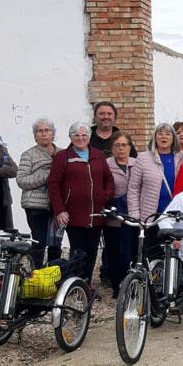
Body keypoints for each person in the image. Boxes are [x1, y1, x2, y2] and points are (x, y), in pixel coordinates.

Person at [48, 122, 115, 285]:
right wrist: (60, 210)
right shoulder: (63, 156)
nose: (80, 138)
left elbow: (109, 180)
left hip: (96, 214)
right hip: (74, 214)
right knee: (78, 251)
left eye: (84, 135)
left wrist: (105, 196)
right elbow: (53, 184)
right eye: (76, 135)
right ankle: (74, 284)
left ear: (89, 137)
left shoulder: (98, 155)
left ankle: (86, 283)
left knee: (92, 251)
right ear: (70, 137)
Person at [16, 118, 62, 267]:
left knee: (56, 243)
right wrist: (47, 175)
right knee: (39, 242)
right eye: (40, 131)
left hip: (58, 205)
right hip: (36, 206)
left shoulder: (62, 153)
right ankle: (35, 276)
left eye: (47, 130)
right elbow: (21, 180)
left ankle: (53, 278)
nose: (44, 134)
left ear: (53, 134)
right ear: (35, 135)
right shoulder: (28, 155)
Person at [127, 123, 183, 227]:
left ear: (173, 138)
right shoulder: (143, 158)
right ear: (154, 138)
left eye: (168, 134)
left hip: (176, 216)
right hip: (150, 217)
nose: (163, 136)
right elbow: (134, 188)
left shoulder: (182, 158)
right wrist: (135, 215)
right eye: (160, 134)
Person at [104, 131, 138, 298]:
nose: (121, 149)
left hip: (133, 216)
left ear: (130, 147)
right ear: (112, 148)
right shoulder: (106, 164)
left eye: (124, 145)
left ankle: (133, 284)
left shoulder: (137, 164)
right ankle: (117, 287)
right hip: (114, 217)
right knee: (115, 251)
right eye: (117, 145)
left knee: (132, 251)